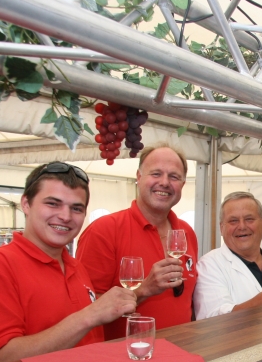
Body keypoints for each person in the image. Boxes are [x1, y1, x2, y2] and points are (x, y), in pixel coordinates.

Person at [0, 162, 136, 362]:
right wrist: (89, 316)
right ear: (26, 204)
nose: (65, 216)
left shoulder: (76, 267)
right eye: (53, 204)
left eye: (76, 208)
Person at [77, 146, 198, 341]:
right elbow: (85, 309)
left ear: (183, 184)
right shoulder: (104, 230)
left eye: (174, 177)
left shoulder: (186, 233)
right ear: (139, 177)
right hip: (124, 355)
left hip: (181, 351)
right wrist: (143, 290)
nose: (164, 182)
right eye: (156, 173)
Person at [194, 192, 262, 319]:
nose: (242, 226)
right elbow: (212, 320)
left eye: (249, 219)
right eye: (233, 221)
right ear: (222, 228)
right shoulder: (209, 265)